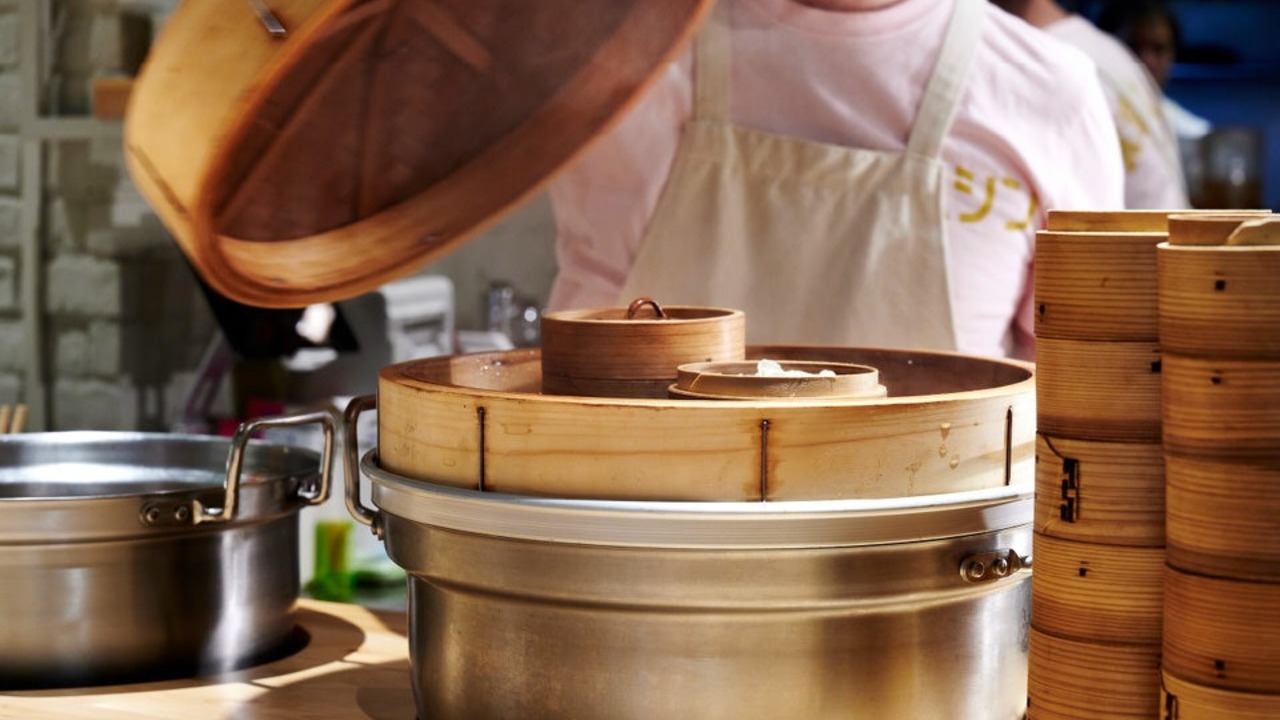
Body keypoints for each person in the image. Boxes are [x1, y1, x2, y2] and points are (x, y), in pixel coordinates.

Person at [547, 0, 1125, 360]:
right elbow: (571, 363)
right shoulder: (627, 62)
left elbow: (1086, 396)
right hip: (642, 540)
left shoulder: (1048, 92)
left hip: (932, 550)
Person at [991, 0, 1189, 210]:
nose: (1149, 60)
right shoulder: (1096, 50)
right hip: (1158, 231)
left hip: (1137, 236)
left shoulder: (1049, 58)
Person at [1095, 0, 1212, 142]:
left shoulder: (1191, 134)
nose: (1147, 60)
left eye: (1158, 49)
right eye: (1133, 47)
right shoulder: (1089, 125)